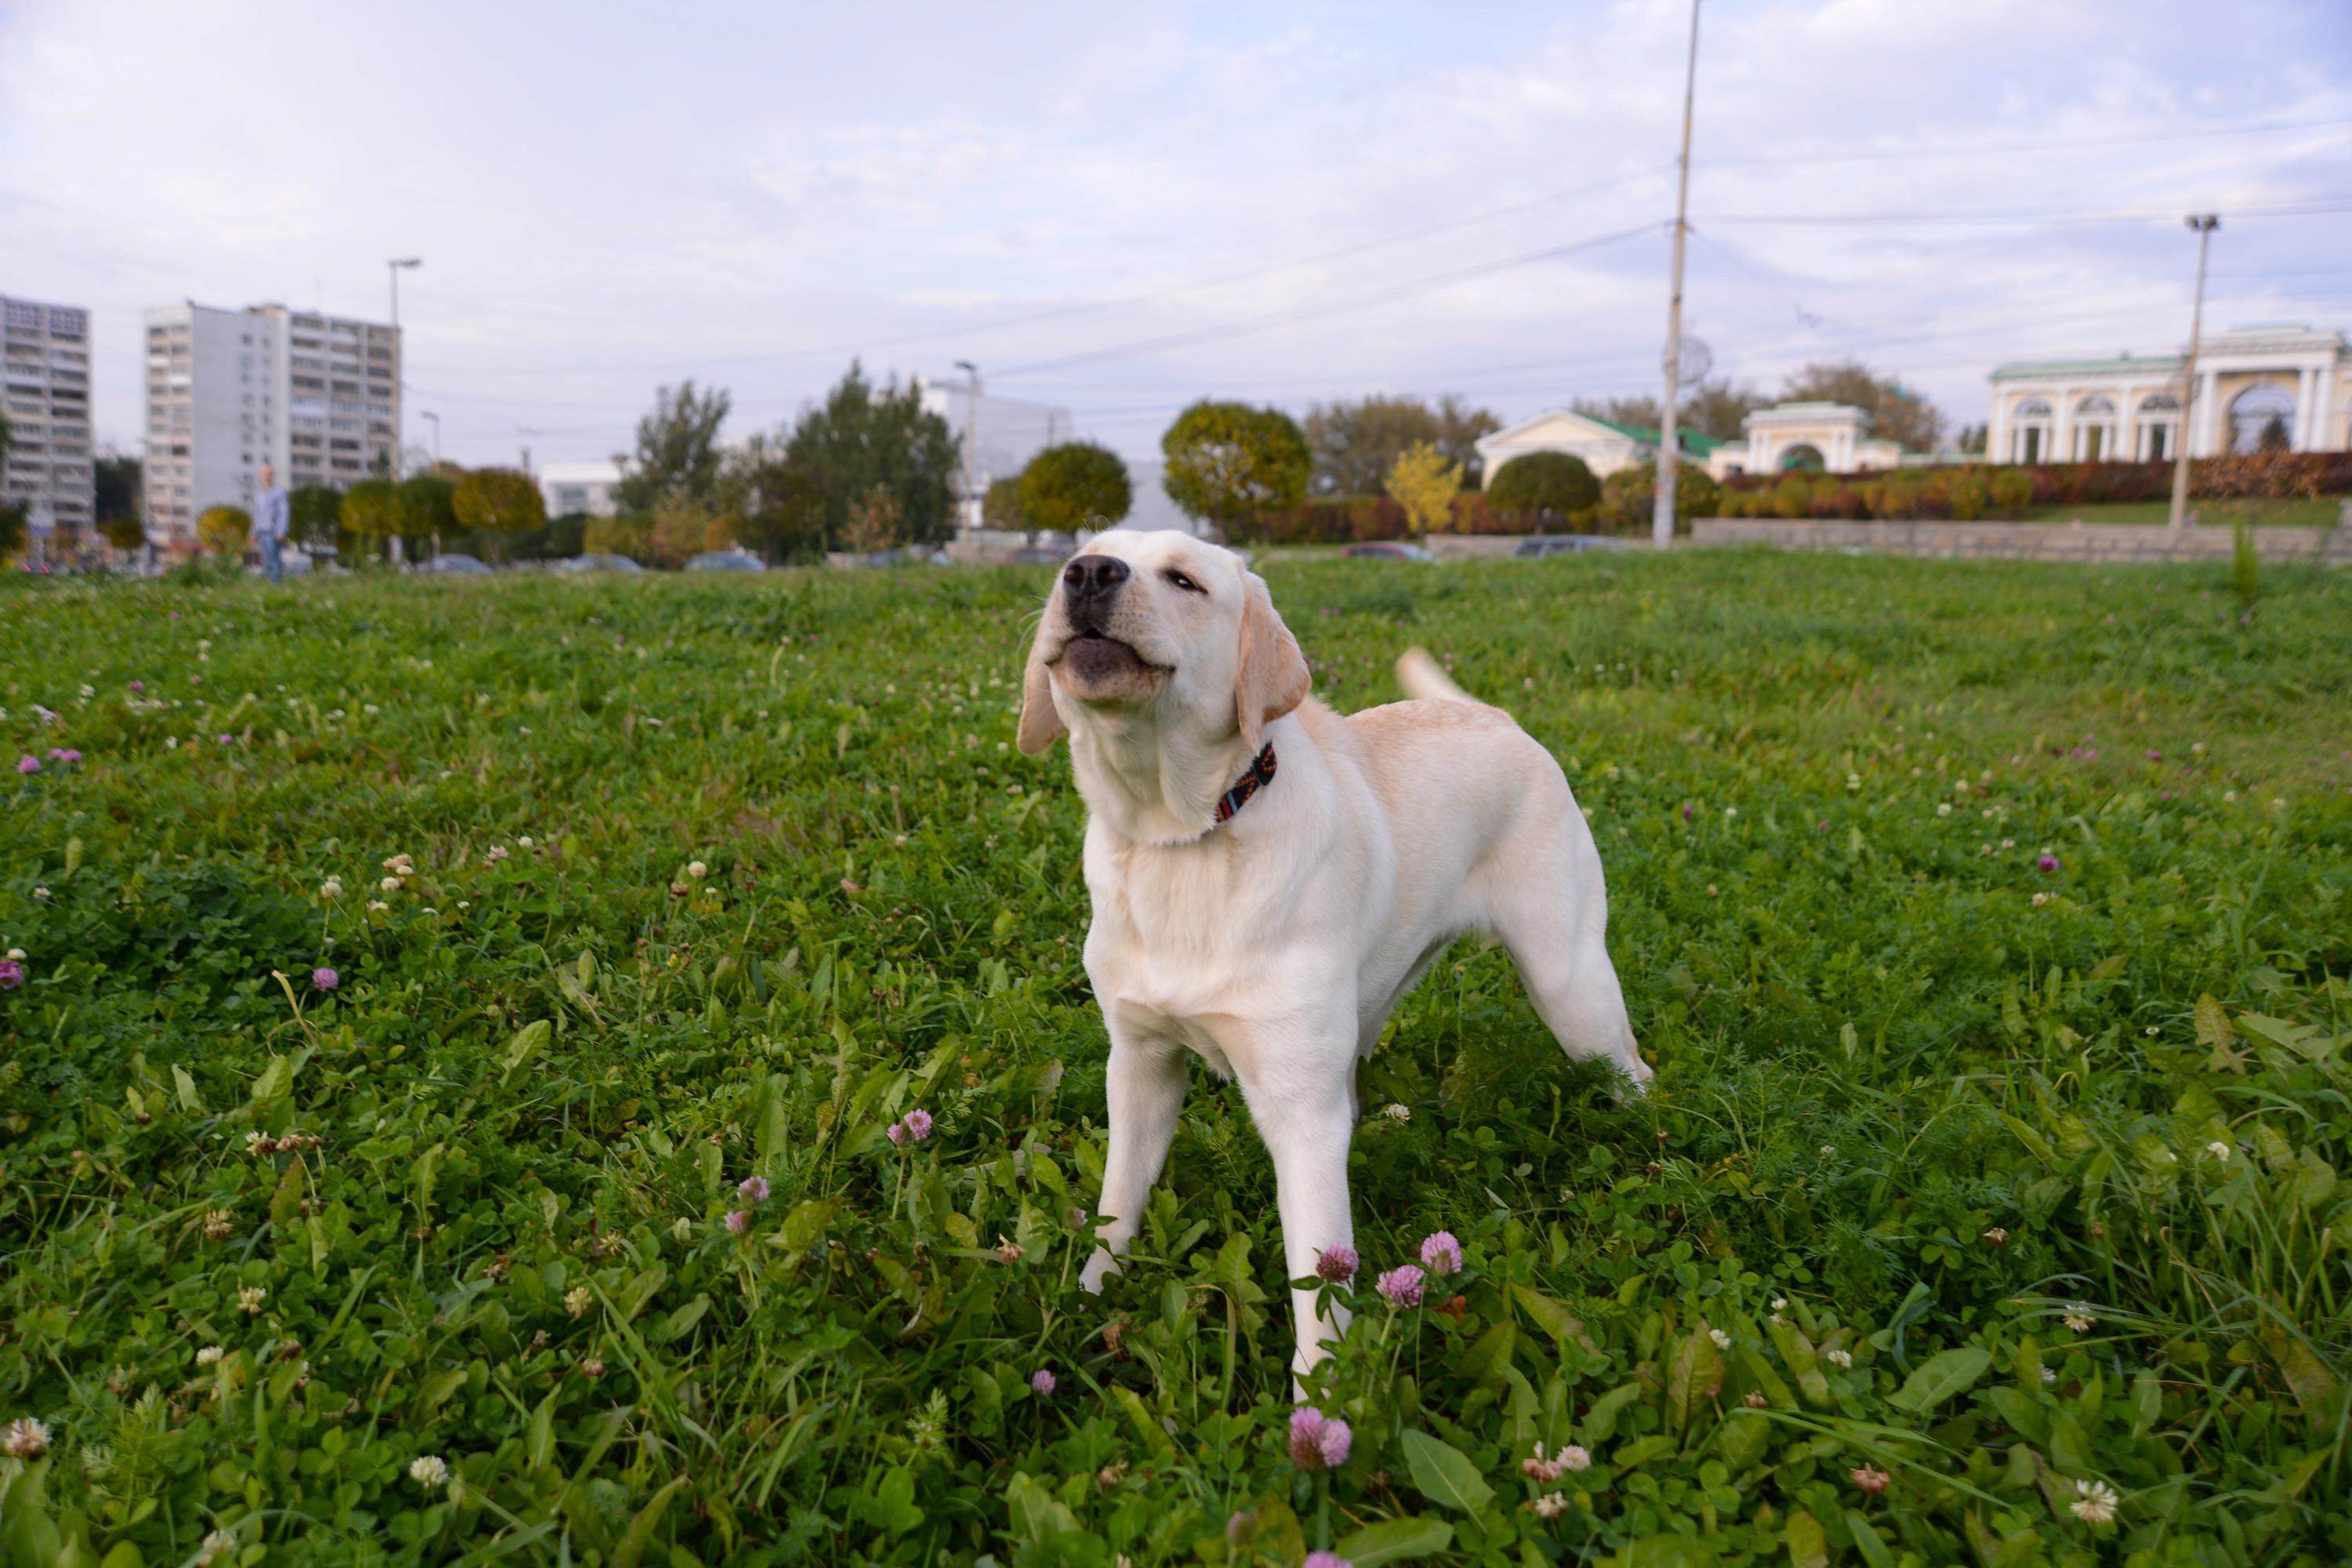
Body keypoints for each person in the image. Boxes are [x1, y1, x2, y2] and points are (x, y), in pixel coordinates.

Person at [256, 463, 290, 583]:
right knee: (267, 561)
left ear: (272, 475)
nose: (266, 476)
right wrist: (255, 533)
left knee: (275, 561)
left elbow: (284, 513)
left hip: (274, 533)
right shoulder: (261, 495)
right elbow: (258, 515)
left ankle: (276, 586)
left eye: (268, 474)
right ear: (261, 476)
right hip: (263, 533)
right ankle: (272, 586)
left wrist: (281, 531)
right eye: (264, 474)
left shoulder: (279, 492)